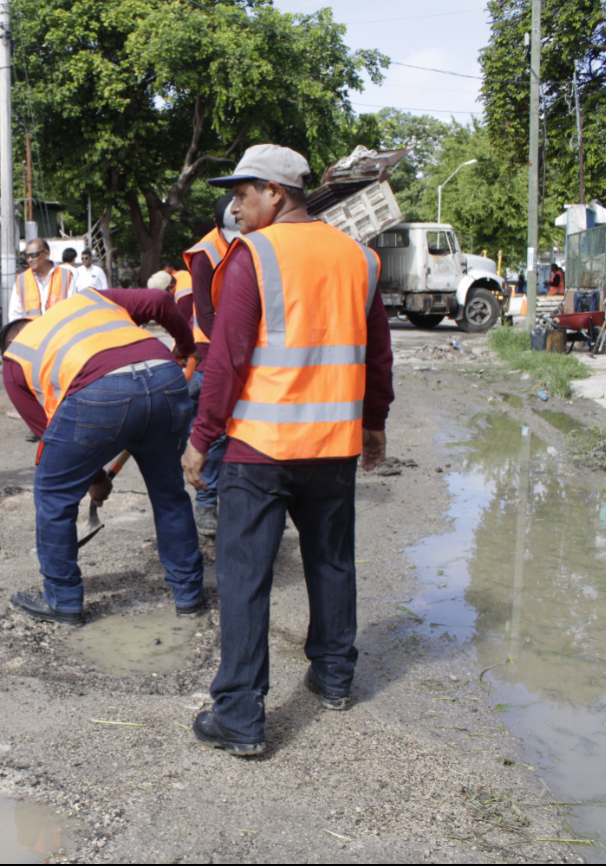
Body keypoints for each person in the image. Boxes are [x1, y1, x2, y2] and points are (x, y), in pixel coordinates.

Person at [182, 144, 393, 756]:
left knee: (245, 577)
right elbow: (377, 353)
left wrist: (201, 439)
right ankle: (333, 678)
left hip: (262, 446)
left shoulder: (256, 255)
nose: (234, 206)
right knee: (331, 562)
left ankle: (241, 718)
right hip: (332, 446)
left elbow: (226, 358)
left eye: (243, 193)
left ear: (275, 193)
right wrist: (373, 422)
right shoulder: (361, 258)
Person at [1, 287, 203, 625]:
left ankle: (63, 600)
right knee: (169, 493)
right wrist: (186, 346)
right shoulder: (89, 300)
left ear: (7, 344)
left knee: (53, 494)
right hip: (166, 376)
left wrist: (95, 482)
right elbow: (160, 301)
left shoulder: (14, 360)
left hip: (100, 391)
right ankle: (189, 594)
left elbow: (52, 437)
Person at [181, 193, 238, 538]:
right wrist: (227, 358)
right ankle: (205, 504)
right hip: (213, 350)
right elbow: (206, 314)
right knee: (212, 431)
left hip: (239, 348)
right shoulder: (206, 255)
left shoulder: (252, 241)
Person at [7, 237, 78, 321]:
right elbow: (14, 316)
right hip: (32, 333)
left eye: (33, 255)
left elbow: (73, 311)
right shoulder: (21, 280)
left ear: (46, 253)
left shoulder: (66, 276)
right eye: (27, 256)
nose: (29, 260)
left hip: (58, 333)